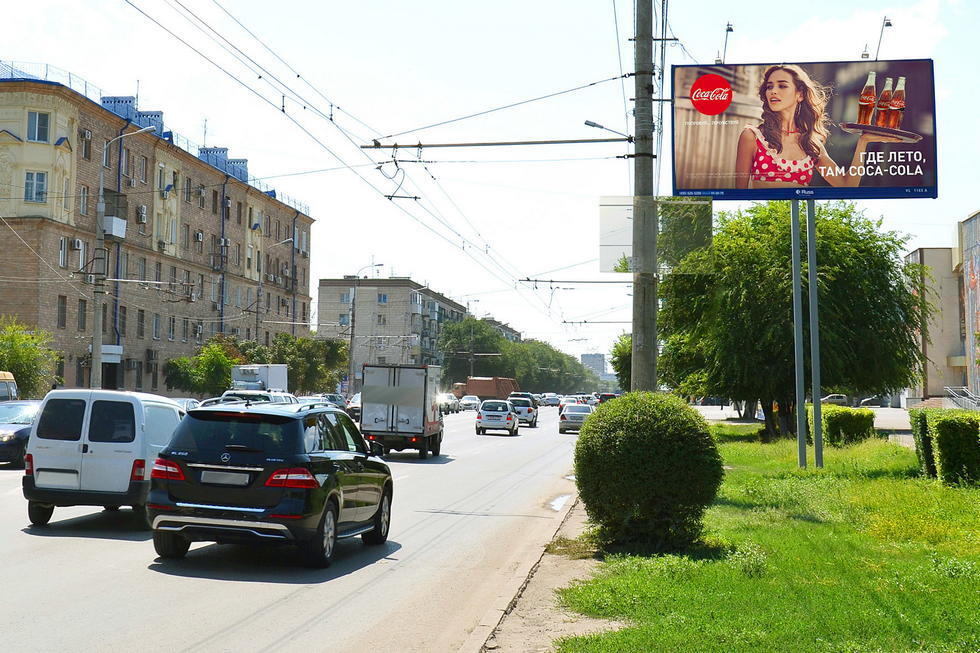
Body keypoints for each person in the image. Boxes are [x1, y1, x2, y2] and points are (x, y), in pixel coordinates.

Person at [735, 64, 900, 189]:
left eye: (782, 85)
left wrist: (863, 142)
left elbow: (847, 185)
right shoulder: (752, 137)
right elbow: (739, 195)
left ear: (800, 94)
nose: (773, 91)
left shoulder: (811, 144)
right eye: (769, 86)